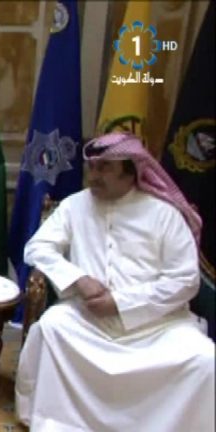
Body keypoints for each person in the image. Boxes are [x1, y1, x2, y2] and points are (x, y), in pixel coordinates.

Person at [16, 132, 215, 431]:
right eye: (92, 167)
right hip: (87, 321)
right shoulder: (74, 206)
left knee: (203, 358)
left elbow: (185, 280)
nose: (94, 176)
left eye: (105, 168)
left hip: (156, 327)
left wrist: (121, 303)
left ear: (131, 172)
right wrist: (79, 279)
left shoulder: (165, 214)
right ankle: (60, 422)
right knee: (51, 328)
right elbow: (37, 248)